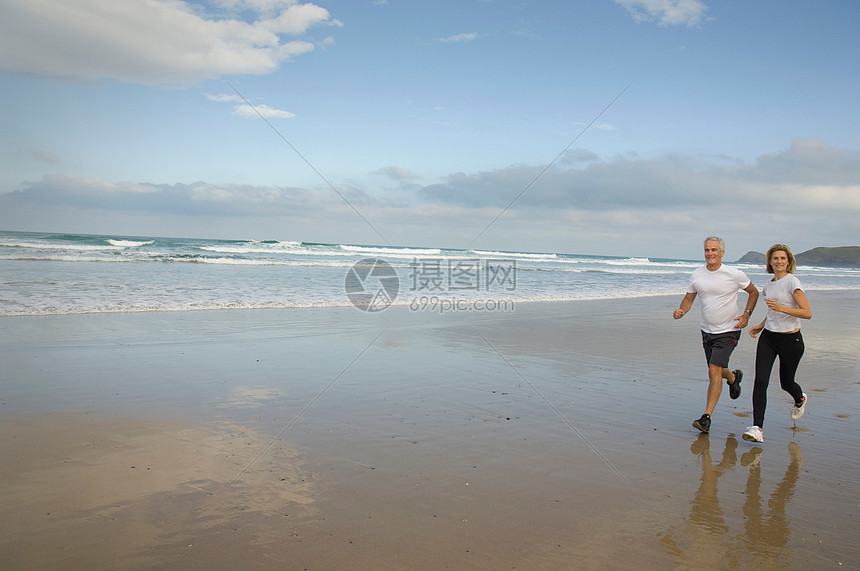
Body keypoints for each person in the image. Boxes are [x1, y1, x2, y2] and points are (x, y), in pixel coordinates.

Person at [674, 237, 759, 434]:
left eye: (714, 250)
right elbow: (689, 298)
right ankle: (732, 378)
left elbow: (753, 292)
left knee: (713, 371)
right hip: (707, 331)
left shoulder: (733, 274)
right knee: (718, 371)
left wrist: (746, 315)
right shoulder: (697, 274)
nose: (710, 253)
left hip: (729, 330)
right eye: (706, 250)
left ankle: (706, 417)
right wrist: (681, 311)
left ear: (722, 252)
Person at [742, 244, 812, 443]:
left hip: (791, 340)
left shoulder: (792, 282)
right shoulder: (768, 285)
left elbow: (807, 312)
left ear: (788, 261)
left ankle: (800, 398)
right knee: (760, 381)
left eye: (782, 258)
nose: (779, 261)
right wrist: (761, 326)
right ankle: (757, 428)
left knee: (786, 383)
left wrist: (781, 308)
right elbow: (772, 311)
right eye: (775, 259)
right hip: (769, 338)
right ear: (770, 262)